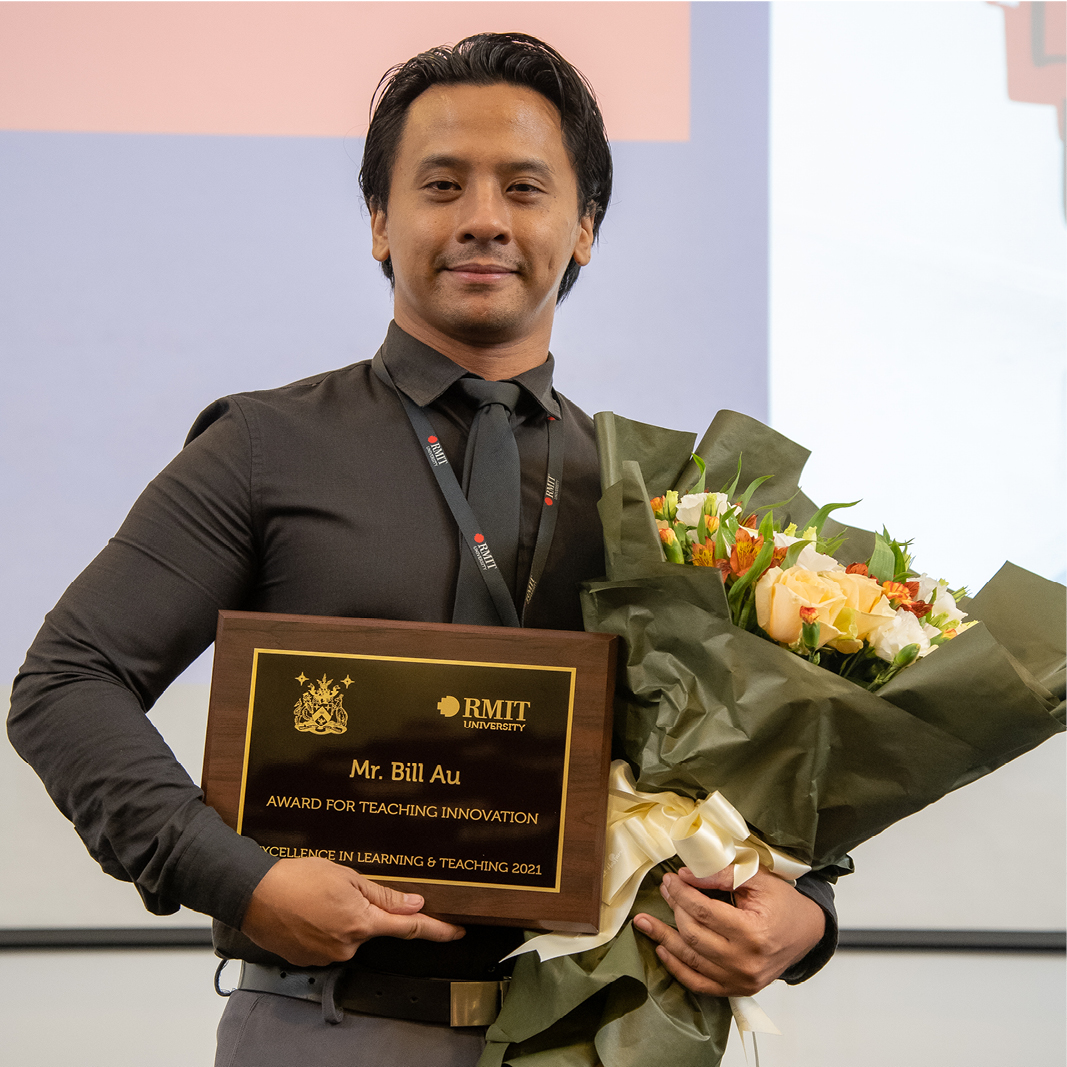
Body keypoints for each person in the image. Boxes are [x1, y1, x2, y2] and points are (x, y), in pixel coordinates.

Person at [9, 33, 836, 1066]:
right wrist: (241, 879)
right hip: (325, 1029)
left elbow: (775, 756)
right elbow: (67, 681)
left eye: (523, 188)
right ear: (378, 222)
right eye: (441, 185)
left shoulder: (656, 499)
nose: (482, 218)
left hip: (591, 1034)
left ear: (583, 228)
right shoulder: (264, 446)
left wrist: (806, 912)